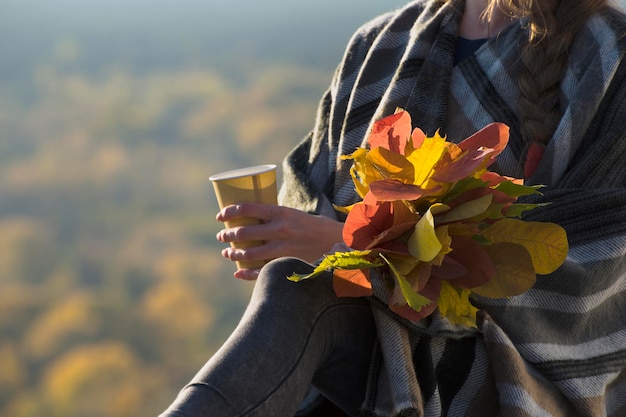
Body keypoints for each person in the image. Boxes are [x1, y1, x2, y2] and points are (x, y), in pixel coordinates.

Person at [159, 0, 626, 415]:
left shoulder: (610, 55)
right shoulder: (381, 44)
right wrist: (286, 235)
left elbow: (589, 261)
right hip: (355, 341)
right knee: (296, 285)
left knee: (296, 290)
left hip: (504, 368)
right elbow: (311, 183)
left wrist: (355, 248)